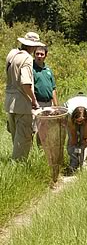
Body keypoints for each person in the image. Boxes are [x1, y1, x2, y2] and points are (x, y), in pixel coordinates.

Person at [5, 32, 45, 160]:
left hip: (10, 101)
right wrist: (34, 101)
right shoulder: (26, 58)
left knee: (15, 137)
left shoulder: (12, 54)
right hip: (22, 103)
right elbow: (26, 83)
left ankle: (15, 166)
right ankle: (19, 167)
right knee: (23, 140)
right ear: (33, 47)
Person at [64, 94, 87, 174]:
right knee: (72, 139)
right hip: (71, 111)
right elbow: (71, 128)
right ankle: (73, 162)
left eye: (81, 121)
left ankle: (83, 162)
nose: (79, 123)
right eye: (77, 121)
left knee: (85, 140)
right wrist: (74, 138)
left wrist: (85, 138)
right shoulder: (69, 113)